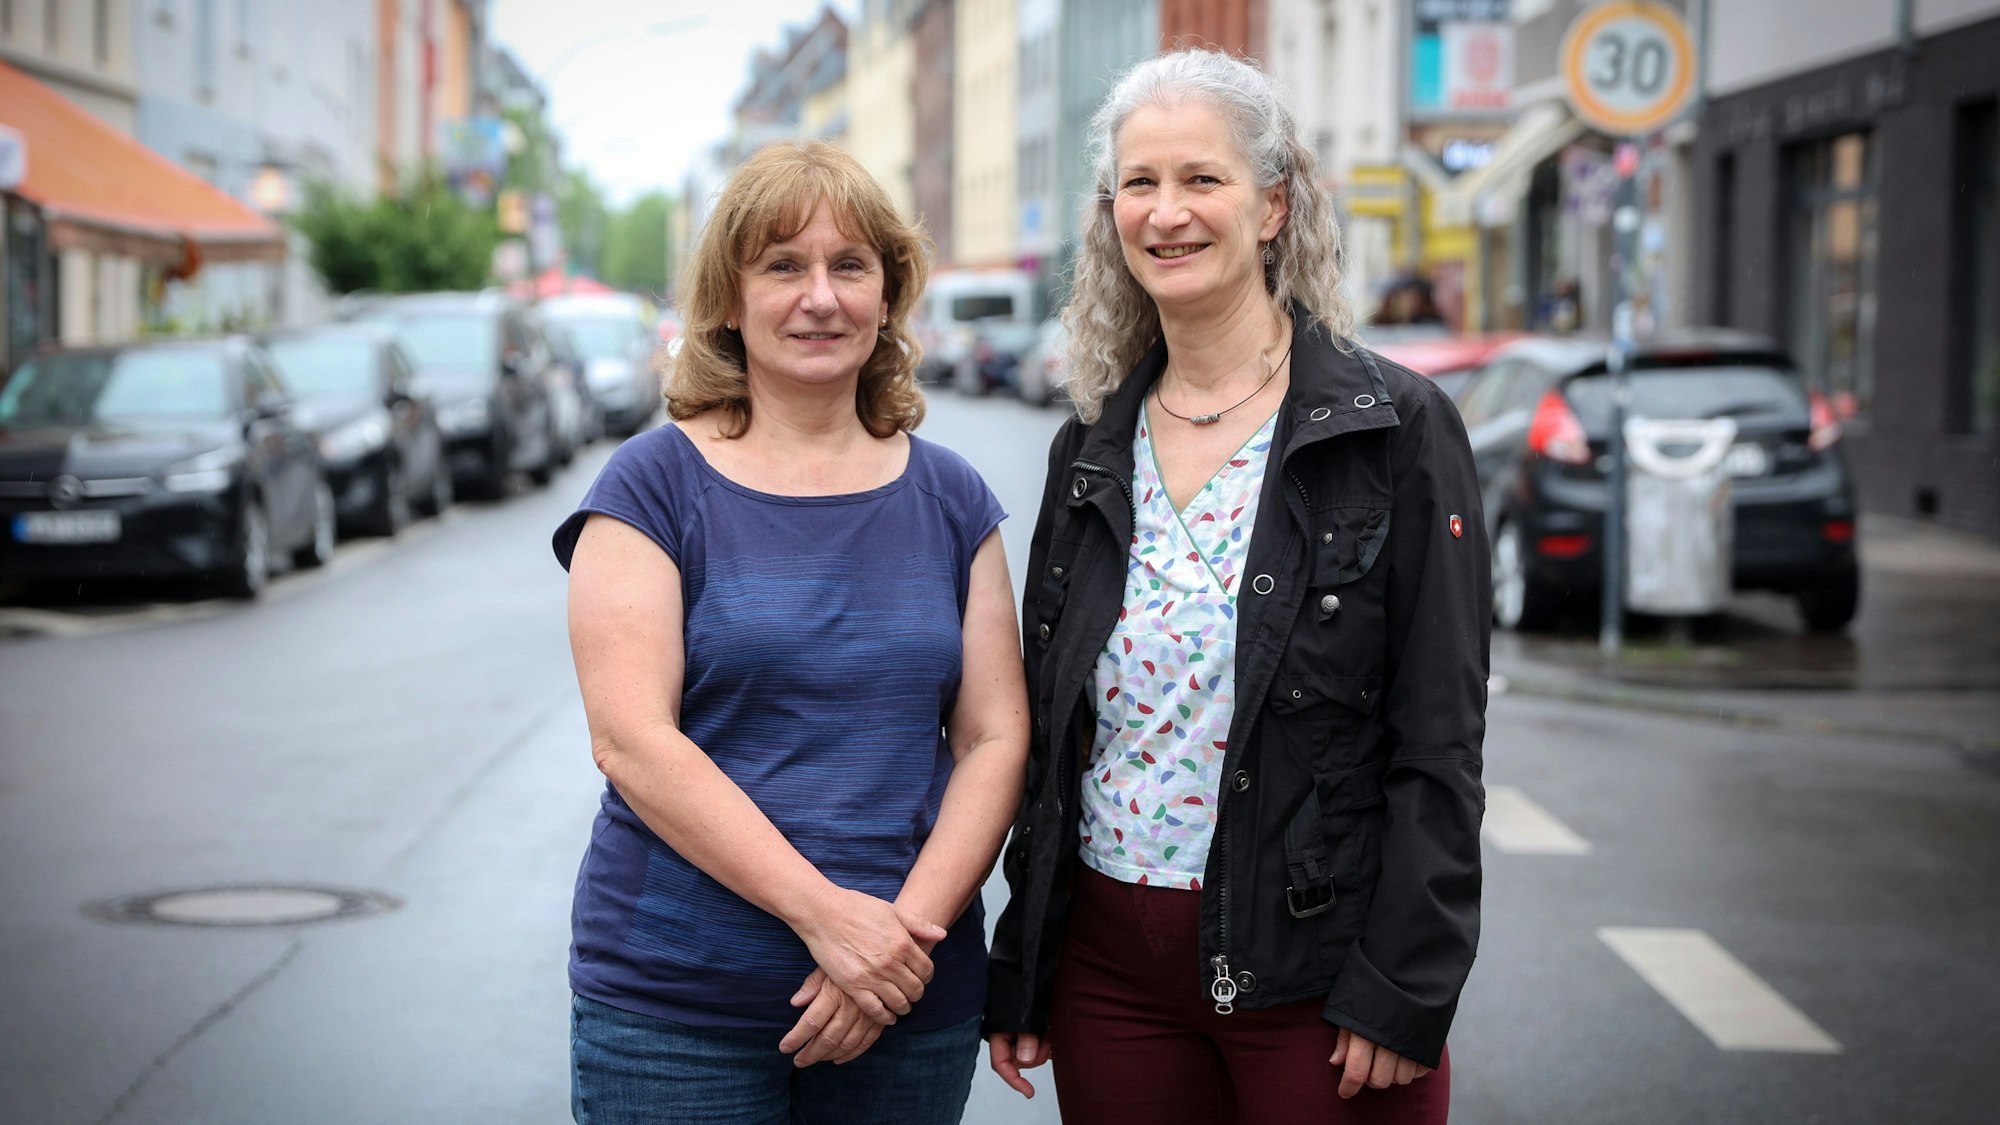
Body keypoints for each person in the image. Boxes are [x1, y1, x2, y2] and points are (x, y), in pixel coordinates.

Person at [985, 50, 1489, 1123]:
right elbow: (1051, 734)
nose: (1165, 213)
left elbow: (1437, 733)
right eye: (1139, 183)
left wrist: (1403, 983)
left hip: (1317, 971)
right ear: (1109, 212)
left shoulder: (1390, 429)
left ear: (1271, 207)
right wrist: (1025, 958)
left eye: (1200, 180)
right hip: (1112, 978)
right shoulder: (1089, 441)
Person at [555, 140, 1030, 1124]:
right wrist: (830, 924)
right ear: (729, 299)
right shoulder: (651, 487)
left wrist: (898, 942)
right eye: (782, 266)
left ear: (887, 294)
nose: (819, 296)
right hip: (677, 1010)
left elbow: (993, 738)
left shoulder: (950, 499)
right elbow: (632, 741)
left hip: (908, 997)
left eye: (848, 266)